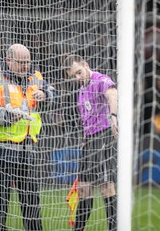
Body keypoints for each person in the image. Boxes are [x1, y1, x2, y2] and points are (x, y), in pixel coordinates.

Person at [0, 44, 56, 231]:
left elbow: (55, 94)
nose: (25, 66)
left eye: (27, 62)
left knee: (32, 205)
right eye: (20, 62)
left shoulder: (36, 77)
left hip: (26, 149)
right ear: (8, 60)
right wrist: (6, 116)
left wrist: (46, 95)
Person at [63, 54, 118, 231]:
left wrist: (114, 116)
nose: (78, 78)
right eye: (74, 76)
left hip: (103, 138)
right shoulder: (81, 90)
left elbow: (112, 93)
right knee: (84, 190)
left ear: (86, 65)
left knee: (106, 187)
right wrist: (85, 139)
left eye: (79, 72)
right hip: (89, 141)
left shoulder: (99, 79)